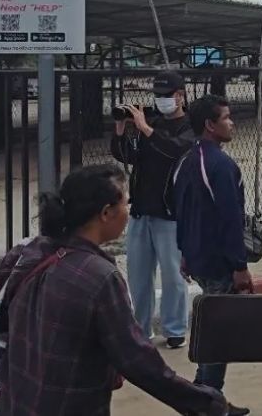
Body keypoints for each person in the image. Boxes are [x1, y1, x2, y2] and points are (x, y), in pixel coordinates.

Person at [0, 165, 227, 416]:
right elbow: (137, 361)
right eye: (126, 204)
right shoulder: (100, 277)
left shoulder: (27, 252)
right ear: (106, 213)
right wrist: (205, 403)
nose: (128, 212)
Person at [173, 95, 252, 414]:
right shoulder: (220, 165)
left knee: (211, 329)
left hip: (198, 257)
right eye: (227, 117)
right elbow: (229, 220)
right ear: (210, 125)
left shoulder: (187, 161)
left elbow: (180, 212)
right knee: (218, 335)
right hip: (218, 261)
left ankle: (202, 393)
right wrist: (239, 265)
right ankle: (209, 401)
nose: (232, 123)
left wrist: (184, 253)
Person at [109, 70, 195, 349]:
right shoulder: (154, 123)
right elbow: (128, 156)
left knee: (172, 275)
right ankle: (140, 329)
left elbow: (175, 150)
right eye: (156, 96)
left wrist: (146, 128)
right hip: (142, 211)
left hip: (169, 214)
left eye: (165, 96)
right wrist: (122, 128)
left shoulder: (188, 126)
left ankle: (174, 329)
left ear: (180, 96)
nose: (160, 101)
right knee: (138, 275)